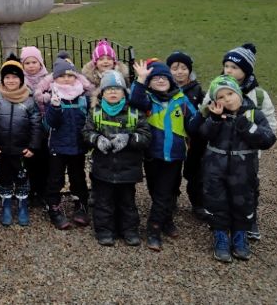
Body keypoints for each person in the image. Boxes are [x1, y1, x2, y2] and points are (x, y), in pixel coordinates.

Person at [196, 75, 275, 262]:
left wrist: (247, 127)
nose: (227, 100)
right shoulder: (215, 116)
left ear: (238, 93)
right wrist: (214, 119)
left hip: (243, 171)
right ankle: (221, 236)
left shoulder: (254, 114)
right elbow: (203, 134)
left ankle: (240, 236)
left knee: (243, 202)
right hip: (215, 169)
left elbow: (268, 139)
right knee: (217, 202)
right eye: (221, 97)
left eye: (230, 94)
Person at [205, 43, 276, 241]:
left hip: (247, 153)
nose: (229, 70)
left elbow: (270, 125)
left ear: (246, 70)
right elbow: (204, 115)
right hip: (220, 153)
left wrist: (256, 140)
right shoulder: (215, 88)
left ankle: (248, 221)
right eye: (226, 66)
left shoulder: (258, 95)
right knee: (218, 190)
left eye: (234, 67)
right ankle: (221, 226)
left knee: (248, 189)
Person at [130, 60, 197, 251]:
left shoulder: (181, 100)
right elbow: (134, 100)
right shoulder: (148, 100)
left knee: (164, 193)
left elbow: (193, 123)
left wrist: (205, 113)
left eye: (164, 78)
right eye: (155, 78)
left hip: (174, 156)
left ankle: (154, 229)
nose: (160, 80)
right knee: (155, 190)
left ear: (170, 81)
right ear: (150, 83)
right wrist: (141, 80)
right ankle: (166, 220)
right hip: (153, 154)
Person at [83, 70, 151, 246]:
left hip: (127, 169)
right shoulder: (95, 112)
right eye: (108, 89)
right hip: (103, 168)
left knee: (127, 202)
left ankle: (129, 230)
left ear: (124, 92)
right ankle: (105, 230)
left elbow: (146, 136)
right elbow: (86, 132)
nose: (113, 92)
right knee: (103, 202)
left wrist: (129, 138)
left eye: (117, 89)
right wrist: (96, 139)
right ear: (102, 93)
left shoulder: (134, 113)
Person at [0, 54, 40, 227]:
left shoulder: (29, 100)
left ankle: (23, 205)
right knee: (4, 177)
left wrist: (33, 146)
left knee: (22, 177)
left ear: (21, 79)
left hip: (21, 150)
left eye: (15, 77)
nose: (11, 80)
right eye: (7, 77)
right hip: (1, 150)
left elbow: (36, 124)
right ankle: (6, 205)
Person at [44, 59, 91, 230]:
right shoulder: (53, 96)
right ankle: (53, 207)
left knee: (78, 177)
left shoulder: (83, 98)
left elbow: (88, 121)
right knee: (55, 178)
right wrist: (55, 107)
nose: (66, 79)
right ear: (55, 78)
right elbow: (50, 123)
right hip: (58, 146)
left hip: (77, 146)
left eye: (70, 75)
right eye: (62, 76)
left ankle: (81, 205)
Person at [166, 51, 207, 221]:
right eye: (175, 68)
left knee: (196, 171)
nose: (179, 72)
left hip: (194, 139)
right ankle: (171, 197)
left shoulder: (197, 90)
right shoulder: (165, 89)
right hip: (173, 136)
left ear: (189, 70)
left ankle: (198, 202)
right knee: (172, 170)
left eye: (183, 68)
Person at [21, 46, 50, 208]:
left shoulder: (48, 79)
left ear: (40, 63)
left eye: (34, 62)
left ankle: (43, 191)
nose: (31, 66)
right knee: (30, 161)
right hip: (28, 128)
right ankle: (31, 192)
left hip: (45, 127)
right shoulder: (20, 81)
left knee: (45, 161)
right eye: (27, 63)